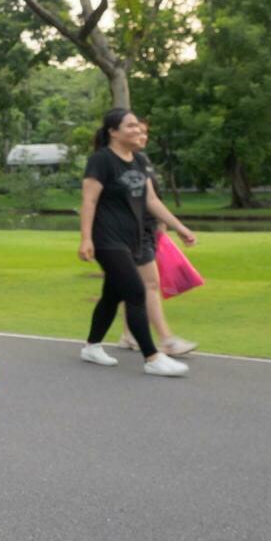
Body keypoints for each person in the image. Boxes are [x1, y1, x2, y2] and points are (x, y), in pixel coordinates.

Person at [78, 108, 196, 378]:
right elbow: (89, 200)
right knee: (135, 292)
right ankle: (152, 357)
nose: (137, 130)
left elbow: (152, 201)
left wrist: (179, 227)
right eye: (130, 126)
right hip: (107, 239)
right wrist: (86, 238)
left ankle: (92, 346)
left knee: (112, 294)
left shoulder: (139, 161)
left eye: (137, 126)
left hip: (131, 240)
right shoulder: (101, 160)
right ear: (113, 131)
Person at [116, 121, 197, 356]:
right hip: (130, 233)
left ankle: (128, 335)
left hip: (147, 231)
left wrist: (165, 225)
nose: (142, 136)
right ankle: (166, 340)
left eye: (144, 132)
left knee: (127, 286)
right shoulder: (115, 163)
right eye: (136, 131)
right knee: (149, 284)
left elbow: (152, 199)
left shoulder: (142, 161)